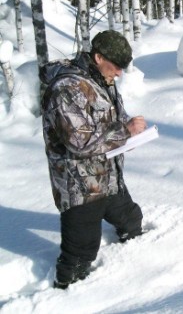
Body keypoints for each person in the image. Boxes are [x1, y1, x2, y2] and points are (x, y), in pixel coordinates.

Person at [40, 30, 147, 289]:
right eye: (117, 66)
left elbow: (111, 120)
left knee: (131, 219)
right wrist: (125, 133)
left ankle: (138, 252)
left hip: (108, 176)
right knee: (79, 255)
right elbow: (79, 141)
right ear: (98, 57)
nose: (120, 73)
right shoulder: (66, 88)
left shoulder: (101, 79)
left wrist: (129, 135)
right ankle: (65, 296)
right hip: (81, 186)